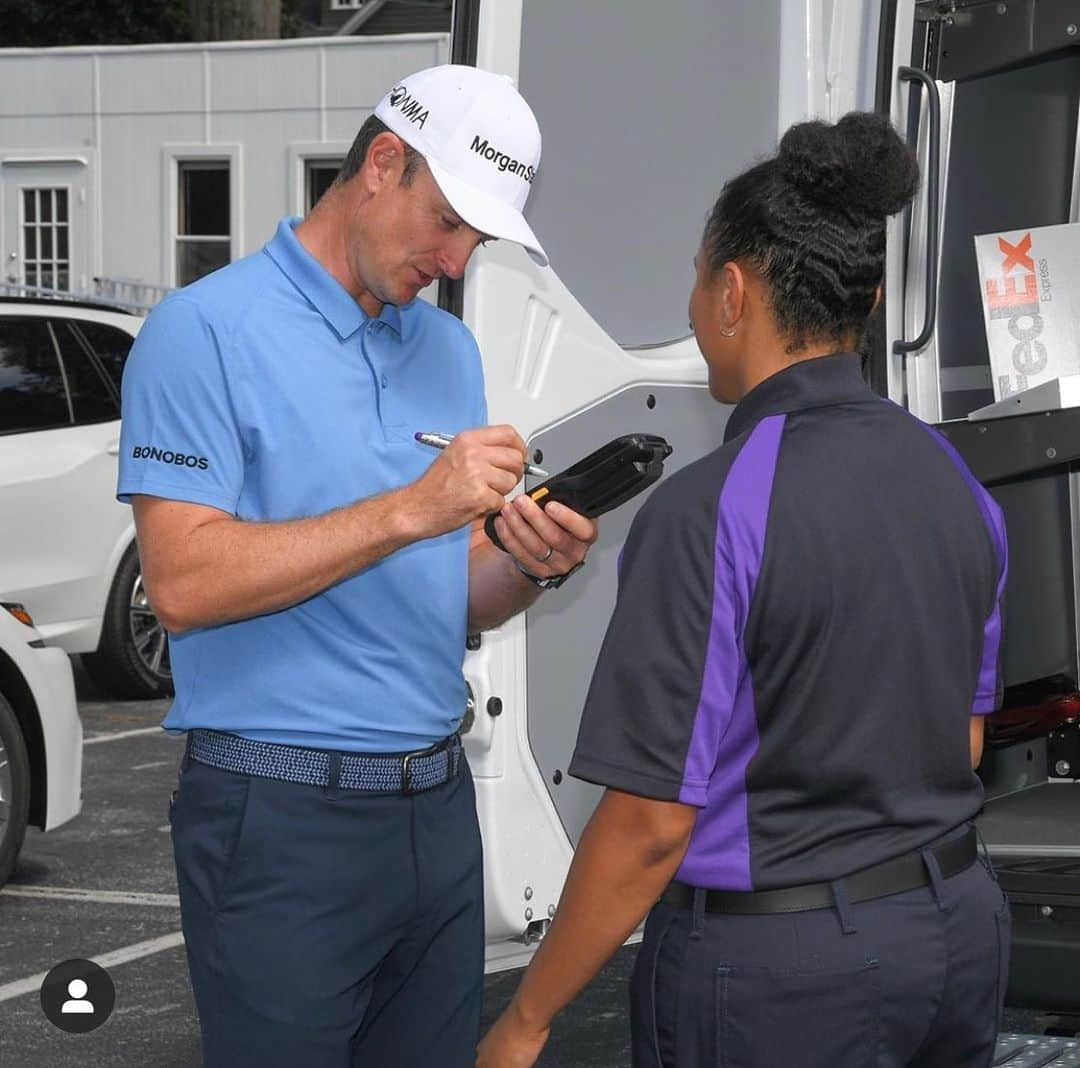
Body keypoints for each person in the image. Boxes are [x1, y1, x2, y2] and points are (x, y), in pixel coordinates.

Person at [478, 112, 1009, 1068]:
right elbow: (961, 738)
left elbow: (648, 825)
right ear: (875, 297)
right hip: (956, 932)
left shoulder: (710, 509)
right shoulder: (957, 480)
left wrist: (527, 1021)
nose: (690, 306)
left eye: (695, 276)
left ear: (733, 291)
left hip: (783, 974)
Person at [117, 64, 596, 1067]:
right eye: (449, 220)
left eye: (479, 238)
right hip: (280, 819)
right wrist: (410, 509)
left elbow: (454, 586)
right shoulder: (202, 331)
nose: (457, 258)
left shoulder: (448, 352)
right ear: (383, 164)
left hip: (435, 805)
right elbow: (183, 585)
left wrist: (526, 561)